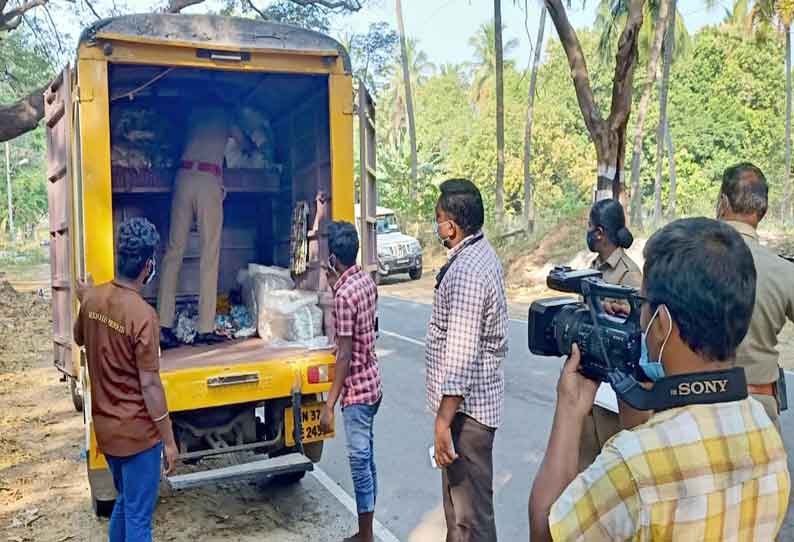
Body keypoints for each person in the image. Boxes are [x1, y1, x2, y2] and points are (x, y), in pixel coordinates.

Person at [529, 217, 790, 541]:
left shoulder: (632, 467)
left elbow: (546, 531)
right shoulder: (767, 436)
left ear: (662, 324)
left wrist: (570, 408)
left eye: (644, 306)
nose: (641, 319)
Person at [74, 217, 179, 542]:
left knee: (125, 502)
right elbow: (150, 385)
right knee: (138, 518)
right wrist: (170, 440)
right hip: (138, 437)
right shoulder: (143, 316)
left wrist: (85, 299)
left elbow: (80, 338)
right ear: (148, 265)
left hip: (107, 432)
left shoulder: (92, 299)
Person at [425, 178, 508, 542]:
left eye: (438, 218)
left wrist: (443, 422)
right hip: (464, 411)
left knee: (471, 520)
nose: (436, 225)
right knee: (459, 517)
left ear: (452, 225)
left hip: (465, 416)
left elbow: (460, 355)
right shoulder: (475, 255)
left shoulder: (467, 273)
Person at [158, 103, 254, 348]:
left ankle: (163, 325)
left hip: (183, 178)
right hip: (207, 181)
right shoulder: (226, 114)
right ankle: (205, 328)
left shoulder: (193, 113)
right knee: (209, 254)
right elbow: (245, 146)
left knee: (173, 252)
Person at [717, 162, 794, 429]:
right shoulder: (784, 271)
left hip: (698, 408)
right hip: (760, 409)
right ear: (763, 210)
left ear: (722, 202)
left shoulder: (690, 260)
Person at [319, 221, 382, 542]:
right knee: (367, 458)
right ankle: (366, 530)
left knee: (359, 463)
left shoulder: (344, 295)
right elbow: (366, 328)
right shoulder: (365, 281)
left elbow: (343, 355)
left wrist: (329, 404)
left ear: (333, 258)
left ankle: (366, 536)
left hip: (357, 391)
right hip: (374, 383)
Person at [579, 199, 643, 471]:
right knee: (582, 468)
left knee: (611, 469)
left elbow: (636, 334)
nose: (589, 232)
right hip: (587, 381)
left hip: (612, 392)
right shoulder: (593, 268)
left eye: (590, 227)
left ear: (601, 232)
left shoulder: (630, 276)